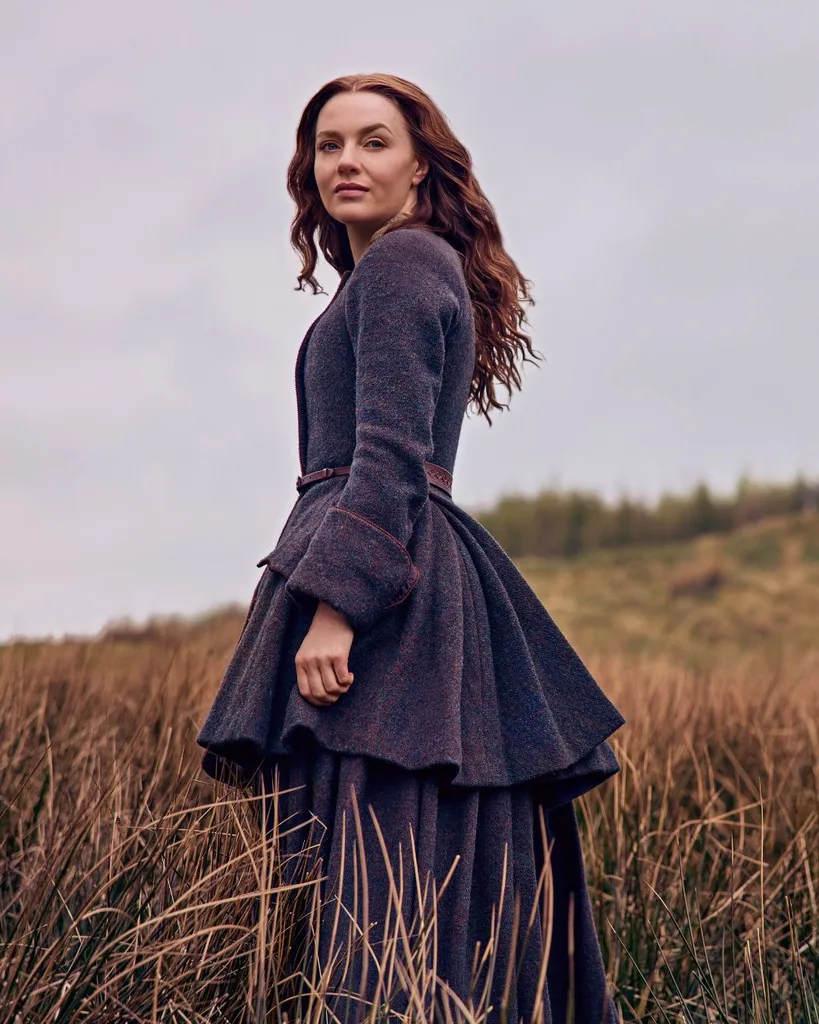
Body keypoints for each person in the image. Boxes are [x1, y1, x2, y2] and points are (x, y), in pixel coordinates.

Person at [196, 72, 626, 1022]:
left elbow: (391, 457)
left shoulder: (398, 266)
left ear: (421, 163)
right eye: (328, 144)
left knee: (378, 861)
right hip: (399, 570)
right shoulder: (401, 271)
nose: (346, 160)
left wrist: (336, 607)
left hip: (384, 592)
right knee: (388, 863)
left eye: (374, 142)